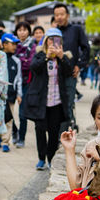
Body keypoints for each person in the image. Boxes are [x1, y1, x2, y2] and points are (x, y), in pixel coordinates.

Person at [22, 28, 72, 170]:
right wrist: (47, 57)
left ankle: (50, 158)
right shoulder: (40, 54)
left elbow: (69, 72)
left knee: (54, 131)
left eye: (56, 39)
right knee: (40, 130)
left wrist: (61, 57)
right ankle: (41, 158)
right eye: (50, 39)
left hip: (57, 101)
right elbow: (34, 68)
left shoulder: (64, 56)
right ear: (46, 40)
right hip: (41, 101)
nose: (53, 42)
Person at [53, 3, 89, 119]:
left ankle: (68, 130)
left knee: (68, 103)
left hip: (70, 73)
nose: (59, 17)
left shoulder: (76, 29)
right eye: (56, 15)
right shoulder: (53, 32)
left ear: (67, 15)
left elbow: (86, 48)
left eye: (62, 14)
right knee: (56, 105)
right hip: (54, 74)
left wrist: (79, 65)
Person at [14, 22, 36, 147]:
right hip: (14, 82)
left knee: (23, 113)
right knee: (9, 113)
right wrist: (24, 59)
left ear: (28, 31)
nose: (22, 32)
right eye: (19, 29)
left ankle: (21, 138)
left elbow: (30, 64)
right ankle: (14, 132)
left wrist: (18, 59)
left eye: (24, 30)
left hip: (26, 82)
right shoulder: (13, 43)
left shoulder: (32, 45)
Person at [0, 32, 22, 152]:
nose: (14, 46)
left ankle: (5, 142)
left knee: (9, 119)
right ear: (4, 44)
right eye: (12, 44)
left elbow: (18, 78)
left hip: (11, 94)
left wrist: (19, 94)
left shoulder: (16, 61)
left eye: (15, 44)